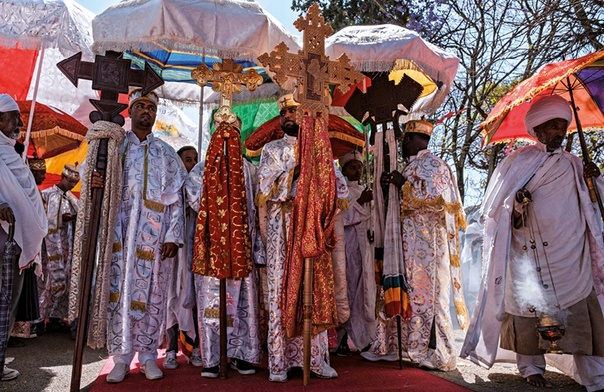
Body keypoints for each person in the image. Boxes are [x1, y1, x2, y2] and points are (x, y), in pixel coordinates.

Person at [461, 95, 604, 390]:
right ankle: (530, 368)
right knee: (528, 313)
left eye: (562, 126)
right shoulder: (517, 162)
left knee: (580, 314)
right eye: (552, 126)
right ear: (537, 129)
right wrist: (517, 202)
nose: (558, 132)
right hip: (527, 253)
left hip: (570, 255)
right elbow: (495, 208)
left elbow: (596, 204)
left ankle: (594, 374)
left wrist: (596, 179)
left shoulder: (577, 164)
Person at [90, 89, 187, 383]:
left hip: (156, 241)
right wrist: (96, 181)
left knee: (153, 295)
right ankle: (121, 357)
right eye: (140, 106)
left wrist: (173, 236)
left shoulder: (167, 154)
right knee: (120, 293)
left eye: (151, 107)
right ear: (129, 112)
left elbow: (177, 200)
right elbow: (95, 181)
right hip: (120, 236)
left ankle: (147, 355)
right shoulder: (115, 149)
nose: (147, 111)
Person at [257, 94, 347, 382]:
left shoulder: (321, 149)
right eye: (284, 112)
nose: (289, 117)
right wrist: (296, 172)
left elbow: (339, 189)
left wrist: (318, 179)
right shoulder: (271, 150)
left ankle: (316, 359)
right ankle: (279, 361)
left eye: (295, 111)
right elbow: (264, 187)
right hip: (281, 228)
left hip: (311, 228)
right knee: (281, 290)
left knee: (313, 289)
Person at [378, 120, 467, 371]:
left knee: (431, 297)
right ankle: (412, 347)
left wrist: (402, 185)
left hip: (429, 244)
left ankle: (437, 352)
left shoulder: (433, 164)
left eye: (404, 141)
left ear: (409, 139)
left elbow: (435, 199)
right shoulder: (414, 165)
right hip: (410, 243)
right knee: (413, 295)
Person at [189, 112, 265, 378]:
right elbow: (193, 202)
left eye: (233, 132)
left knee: (243, 300)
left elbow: (258, 208)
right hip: (213, 247)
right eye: (223, 130)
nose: (227, 137)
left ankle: (241, 355)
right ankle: (211, 357)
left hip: (241, 245)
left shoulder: (250, 170)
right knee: (210, 301)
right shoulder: (202, 168)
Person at [0, 94, 47, 381]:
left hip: (16, 241)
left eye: (18, 116)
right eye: (13, 116)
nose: (18, 122)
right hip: (3, 238)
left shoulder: (12, 153)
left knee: (8, 303)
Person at [163, 145, 201, 370]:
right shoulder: (169, 186)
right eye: (188, 159)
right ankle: (170, 350)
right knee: (170, 298)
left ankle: (194, 347)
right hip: (172, 251)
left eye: (195, 159)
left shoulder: (199, 186)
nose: (192, 164)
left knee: (191, 297)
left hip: (192, 250)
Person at [337, 149, 377, 355]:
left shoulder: (366, 189)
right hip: (349, 249)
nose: (358, 170)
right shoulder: (341, 190)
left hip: (366, 249)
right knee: (349, 291)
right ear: (344, 170)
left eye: (360, 166)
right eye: (353, 167)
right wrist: (361, 202)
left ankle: (366, 337)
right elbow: (341, 218)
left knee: (365, 293)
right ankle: (342, 338)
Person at [39, 163, 80, 332]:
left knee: (66, 278)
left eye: (74, 183)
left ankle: (56, 317)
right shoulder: (46, 195)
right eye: (69, 181)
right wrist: (59, 219)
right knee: (47, 281)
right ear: (62, 177)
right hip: (49, 246)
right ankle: (38, 320)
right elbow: (41, 218)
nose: (71, 185)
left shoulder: (72, 199)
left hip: (67, 246)